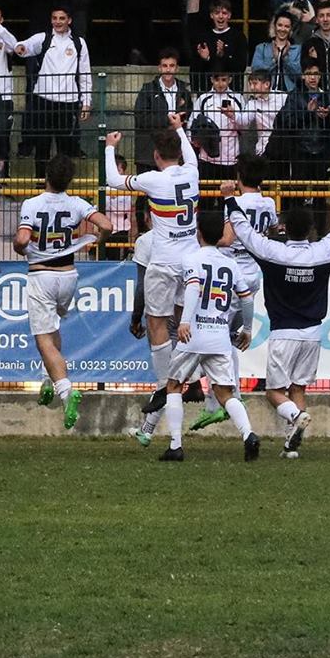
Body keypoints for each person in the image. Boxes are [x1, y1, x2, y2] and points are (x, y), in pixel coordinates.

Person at [228, 176, 330, 458]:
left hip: (283, 333)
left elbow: (245, 233)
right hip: (313, 333)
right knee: (298, 387)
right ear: (312, 230)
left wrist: (229, 199)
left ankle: (295, 418)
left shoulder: (274, 252)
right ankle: (291, 446)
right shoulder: (322, 253)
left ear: (285, 228)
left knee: (274, 392)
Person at [105, 119, 202, 430]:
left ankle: (164, 385)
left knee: (156, 324)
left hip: (163, 262)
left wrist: (109, 148)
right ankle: (194, 380)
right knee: (180, 325)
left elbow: (112, 180)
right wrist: (179, 128)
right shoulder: (193, 173)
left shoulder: (153, 180)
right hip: (190, 261)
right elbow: (191, 154)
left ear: (158, 156)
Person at [13, 155, 113, 431]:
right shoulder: (77, 203)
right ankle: (48, 378)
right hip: (68, 275)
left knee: (43, 339)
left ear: (46, 175)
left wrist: (20, 248)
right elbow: (106, 226)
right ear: (69, 180)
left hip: (42, 273)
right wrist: (94, 242)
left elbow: (22, 239)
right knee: (53, 328)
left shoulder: (32, 204)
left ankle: (67, 392)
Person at [158, 208, 262, 462]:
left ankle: (175, 445)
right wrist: (247, 329)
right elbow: (246, 299)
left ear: (198, 233)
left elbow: (193, 288)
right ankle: (248, 435)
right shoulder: (230, 264)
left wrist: (184, 322)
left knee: (173, 385)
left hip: (194, 334)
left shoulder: (192, 259)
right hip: (219, 335)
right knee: (225, 392)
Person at [15, 4, 93, 169]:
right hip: (43, 100)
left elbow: (85, 74)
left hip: (68, 102)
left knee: (65, 147)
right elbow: (24, 46)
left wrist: (86, 102)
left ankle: (61, 185)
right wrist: (20, 47)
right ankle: (41, 184)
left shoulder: (79, 43)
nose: (58, 22)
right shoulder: (43, 38)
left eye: (62, 18)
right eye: (54, 18)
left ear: (69, 20)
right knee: (42, 145)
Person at [271, 62, 330, 201]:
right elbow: (287, 123)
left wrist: (327, 117)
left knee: (321, 195)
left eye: (316, 74)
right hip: (300, 151)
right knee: (298, 194)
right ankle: (298, 222)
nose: (312, 78)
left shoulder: (328, 96)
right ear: (302, 76)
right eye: (308, 74)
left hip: (322, 151)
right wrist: (307, 113)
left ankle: (320, 223)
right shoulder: (294, 96)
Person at [186, 0, 246, 86]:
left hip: (232, 92)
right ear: (211, 15)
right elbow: (195, 69)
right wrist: (206, 59)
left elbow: (241, 67)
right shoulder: (203, 37)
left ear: (229, 15)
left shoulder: (238, 37)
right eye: (217, 13)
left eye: (224, 13)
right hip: (207, 92)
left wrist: (223, 55)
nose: (221, 16)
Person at [132, 50, 192, 138]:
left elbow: (189, 115)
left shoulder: (184, 92)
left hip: (178, 141)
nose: (168, 70)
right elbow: (140, 118)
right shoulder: (148, 89)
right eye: (164, 66)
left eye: (172, 66)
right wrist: (168, 120)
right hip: (154, 142)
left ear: (177, 68)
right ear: (159, 68)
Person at [250, 11, 302, 93]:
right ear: (274, 26)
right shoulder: (261, 48)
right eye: (280, 25)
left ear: (291, 29)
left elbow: (299, 75)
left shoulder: (298, 49)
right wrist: (274, 60)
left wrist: (285, 59)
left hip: (290, 94)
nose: (283, 29)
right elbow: (256, 71)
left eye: (287, 26)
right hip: (266, 93)